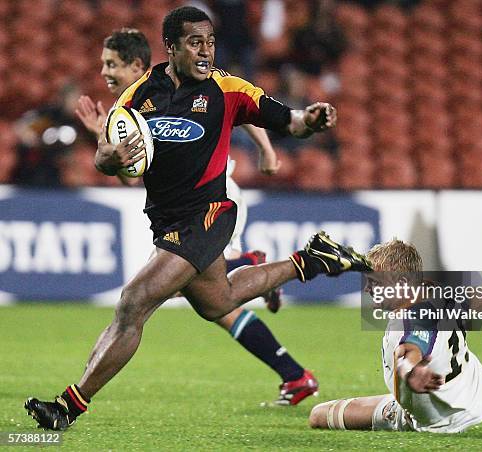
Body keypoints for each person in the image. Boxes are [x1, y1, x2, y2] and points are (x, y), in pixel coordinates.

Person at [25, 6, 372, 431]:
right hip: (166, 220)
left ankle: (67, 406)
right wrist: (108, 155)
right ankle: (312, 260)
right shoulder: (138, 96)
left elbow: (290, 121)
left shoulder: (229, 90)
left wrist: (310, 121)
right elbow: (105, 158)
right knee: (219, 301)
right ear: (171, 47)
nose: (206, 51)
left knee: (135, 301)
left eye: (209, 42)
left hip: (208, 214)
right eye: (195, 43)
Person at [75, 28, 320, 405]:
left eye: (112, 64)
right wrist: (104, 144)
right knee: (213, 303)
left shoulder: (195, 85)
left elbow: (242, 107)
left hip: (211, 202)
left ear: (138, 64)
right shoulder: (131, 107)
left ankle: (248, 266)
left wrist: (267, 150)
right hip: (178, 213)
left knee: (161, 294)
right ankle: (294, 372)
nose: (104, 72)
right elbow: (131, 177)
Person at [309, 239, 482, 433]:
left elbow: (408, 351)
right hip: (471, 389)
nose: (367, 289)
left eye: (374, 282)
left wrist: (412, 373)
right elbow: (468, 305)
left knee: (319, 415)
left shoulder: (410, 318)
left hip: (427, 414)